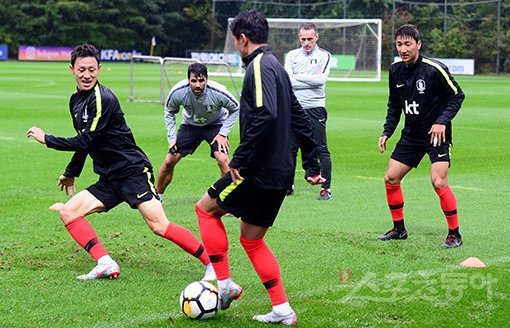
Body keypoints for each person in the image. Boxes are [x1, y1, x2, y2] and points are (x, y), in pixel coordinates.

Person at [26, 44, 215, 280]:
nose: (87, 75)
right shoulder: (76, 100)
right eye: (82, 69)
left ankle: (212, 265)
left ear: (99, 69)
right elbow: (89, 142)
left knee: (159, 226)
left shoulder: (102, 98)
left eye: (92, 70)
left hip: (132, 171)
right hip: (110, 176)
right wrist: (71, 172)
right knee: (69, 212)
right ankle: (105, 262)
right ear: (72, 69)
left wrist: (47, 140)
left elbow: (86, 140)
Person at [194, 10, 324, 326]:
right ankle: (282, 309)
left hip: (257, 170)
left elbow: (266, 115)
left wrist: (238, 162)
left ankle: (223, 284)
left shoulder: (258, 67)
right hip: (280, 173)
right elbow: (299, 117)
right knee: (251, 239)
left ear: (243, 39)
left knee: (205, 210)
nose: (236, 48)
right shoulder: (278, 68)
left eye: (235, 42)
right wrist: (310, 163)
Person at [377, 24, 465, 248]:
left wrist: (441, 122)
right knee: (391, 178)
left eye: (408, 44)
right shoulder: (395, 70)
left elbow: (457, 96)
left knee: (438, 181)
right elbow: (394, 105)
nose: (403, 49)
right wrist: (387, 131)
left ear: (418, 44)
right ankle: (399, 229)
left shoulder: (434, 69)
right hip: (411, 135)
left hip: (436, 135)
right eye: (399, 44)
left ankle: (454, 234)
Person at [156, 63, 239, 200]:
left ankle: (229, 200)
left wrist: (223, 133)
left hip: (215, 125)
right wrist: (172, 139)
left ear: (207, 79)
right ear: (188, 80)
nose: (197, 85)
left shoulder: (218, 92)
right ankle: (157, 197)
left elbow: (236, 108)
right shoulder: (178, 91)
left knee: (222, 159)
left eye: (201, 80)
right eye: (194, 81)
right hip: (191, 125)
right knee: (170, 160)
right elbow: (169, 111)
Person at [284, 22, 333, 200]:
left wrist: (297, 76)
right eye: (303, 39)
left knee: (320, 148)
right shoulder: (291, 55)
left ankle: (325, 189)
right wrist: (309, 77)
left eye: (310, 39)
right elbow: (288, 81)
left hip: (315, 107)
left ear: (316, 37)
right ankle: (287, 186)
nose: (306, 43)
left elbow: (320, 81)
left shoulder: (324, 55)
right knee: (290, 149)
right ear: (299, 38)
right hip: (294, 108)